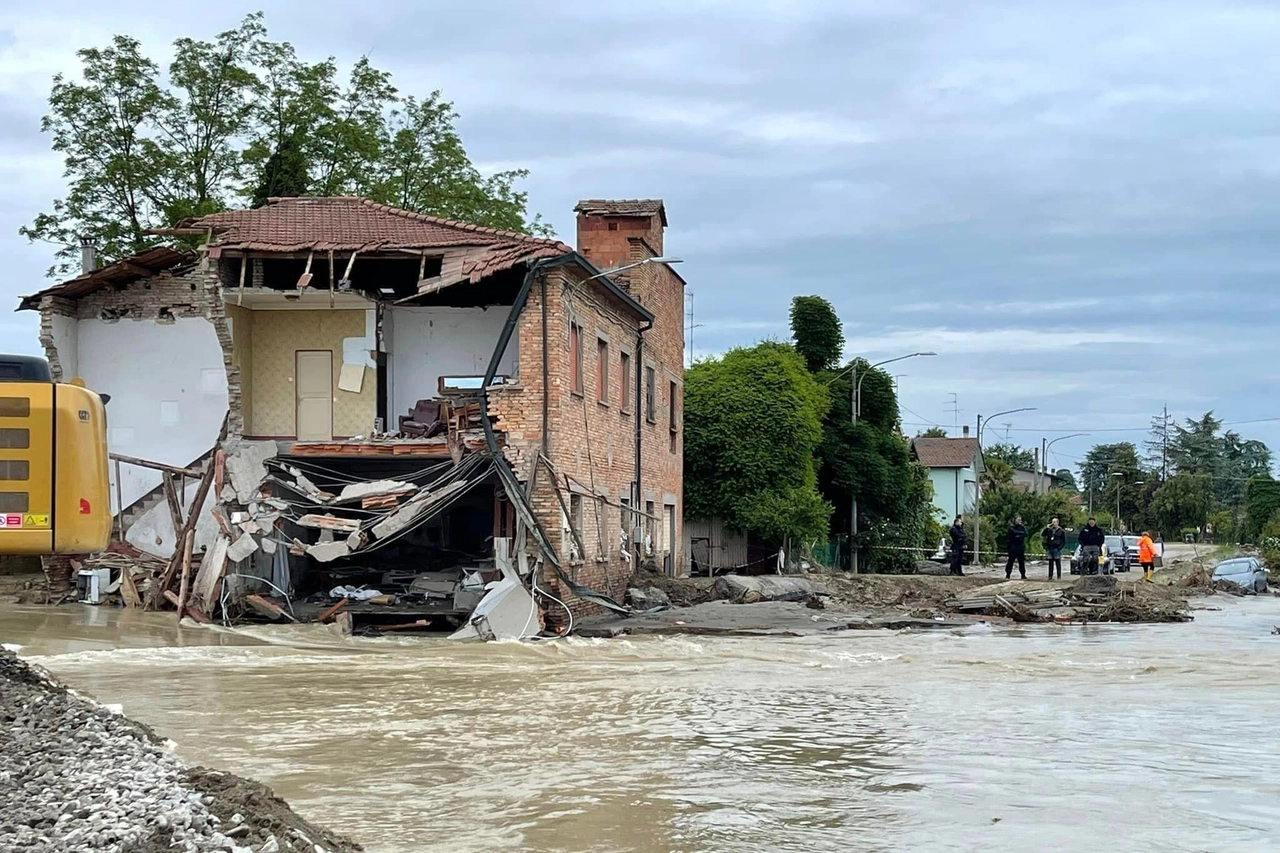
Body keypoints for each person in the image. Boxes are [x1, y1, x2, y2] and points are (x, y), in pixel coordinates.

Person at [1005, 514, 1028, 580]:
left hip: (1020, 546)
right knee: (1010, 561)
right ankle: (1008, 574)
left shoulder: (1022, 527)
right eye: (1018, 520)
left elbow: (1026, 534)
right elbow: (1013, 532)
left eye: (1020, 520)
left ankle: (1023, 574)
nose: (1019, 521)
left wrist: (1019, 534)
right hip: (1012, 546)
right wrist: (1020, 534)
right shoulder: (1011, 527)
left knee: (1021, 562)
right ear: (1014, 520)